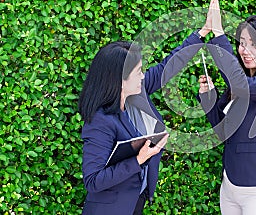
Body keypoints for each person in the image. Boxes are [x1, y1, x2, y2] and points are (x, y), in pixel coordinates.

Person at [78, 28, 206, 214]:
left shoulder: (133, 98)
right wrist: (140, 159)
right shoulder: (100, 122)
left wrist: (201, 34)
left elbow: (166, 68)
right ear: (120, 79)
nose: (143, 76)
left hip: (134, 203)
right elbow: (93, 181)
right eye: (138, 72)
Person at [198, 0, 256, 215]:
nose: (245, 50)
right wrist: (209, 98)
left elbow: (242, 84)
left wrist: (219, 35)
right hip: (230, 185)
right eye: (242, 43)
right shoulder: (237, 86)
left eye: (254, 44)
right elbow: (222, 129)